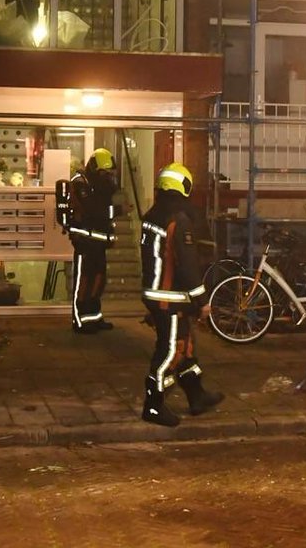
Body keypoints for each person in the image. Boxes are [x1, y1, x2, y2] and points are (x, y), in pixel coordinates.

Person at [138, 162, 224, 427]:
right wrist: (202, 301)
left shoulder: (154, 214)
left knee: (186, 347)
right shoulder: (179, 218)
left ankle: (196, 395)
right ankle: (153, 406)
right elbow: (186, 263)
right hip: (170, 298)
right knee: (170, 351)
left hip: (159, 294)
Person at [57, 147, 118, 334]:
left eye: (110, 172)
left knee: (99, 278)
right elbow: (94, 211)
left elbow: (103, 212)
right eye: (104, 172)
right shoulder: (80, 183)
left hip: (98, 241)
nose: (107, 176)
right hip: (84, 241)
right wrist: (120, 210)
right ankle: (79, 320)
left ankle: (94, 317)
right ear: (94, 168)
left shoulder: (98, 186)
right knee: (83, 281)